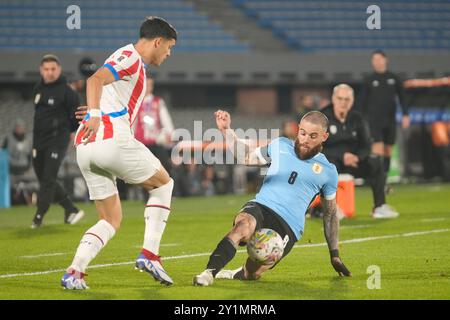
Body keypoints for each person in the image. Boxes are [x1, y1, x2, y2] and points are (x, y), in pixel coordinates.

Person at [61, 17, 177, 290]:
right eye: (169, 47)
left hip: (86, 146)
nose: (169, 53)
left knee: (110, 218)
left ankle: (74, 272)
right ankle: (150, 254)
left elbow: (102, 88)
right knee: (164, 184)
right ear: (158, 42)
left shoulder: (126, 59)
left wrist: (93, 111)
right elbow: (94, 79)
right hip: (111, 138)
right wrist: (94, 114)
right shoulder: (132, 57)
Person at [193, 110, 351, 286]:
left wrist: (334, 255)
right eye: (303, 133)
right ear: (298, 130)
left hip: (288, 226)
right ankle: (209, 272)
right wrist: (226, 131)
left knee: (253, 272)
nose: (305, 140)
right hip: (261, 206)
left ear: (324, 137)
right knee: (243, 226)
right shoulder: (280, 145)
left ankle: (239, 273)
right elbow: (247, 157)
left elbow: (330, 214)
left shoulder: (328, 171)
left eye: (313, 136)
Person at [322, 84, 399, 218]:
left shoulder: (357, 118)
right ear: (333, 99)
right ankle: (331, 208)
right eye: (340, 98)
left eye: (347, 99)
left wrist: (357, 157)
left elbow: (366, 144)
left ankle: (379, 206)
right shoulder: (323, 118)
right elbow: (318, 147)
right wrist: (342, 156)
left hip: (354, 162)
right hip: (332, 162)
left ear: (352, 101)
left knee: (375, 161)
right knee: (328, 164)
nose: (343, 102)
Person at [30, 54, 85, 228]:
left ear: (59, 70)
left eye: (53, 69)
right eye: (46, 69)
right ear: (41, 70)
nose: (50, 72)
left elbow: (78, 113)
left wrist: (73, 131)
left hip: (57, 140)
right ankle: (71, 209)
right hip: (39, 141)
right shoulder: (37, 89)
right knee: (46, 179)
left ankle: (39, 216)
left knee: (48, 178)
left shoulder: (67, 91)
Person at [359, 50, 410, 190]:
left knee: (388, 151)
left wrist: (406, 114)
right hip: (374, 121)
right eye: (374, 59)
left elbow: (402, 98)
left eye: (379, 59)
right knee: (377, 151)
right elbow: (361, 102)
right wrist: (359, 119)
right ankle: (377, 181)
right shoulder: (369, 80)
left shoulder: (394, 78)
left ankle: (385, 180)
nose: (377, 62)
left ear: (385, 60)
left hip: (390, 121)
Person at [133, 77, 174, 172]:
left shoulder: (158, 102)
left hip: (156, 145)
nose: (147, 87)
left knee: (164, 171)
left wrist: (165, 136)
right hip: (140, 145)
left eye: (150, 84)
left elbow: (167, 124)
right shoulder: (136, 102)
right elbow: (132, 124)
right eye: (145, 84)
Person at [2, 119, 33, 204]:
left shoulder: (28, 140)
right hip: (11, 170)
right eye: (18, 127)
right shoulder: (8, 139)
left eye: (21, 127)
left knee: (29, 187)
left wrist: (29, 167)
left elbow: (30, 155)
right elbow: (3, 153)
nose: (19, 129)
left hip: (24, 170)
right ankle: (12, 202)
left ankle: (29, 203)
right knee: (11, 188)